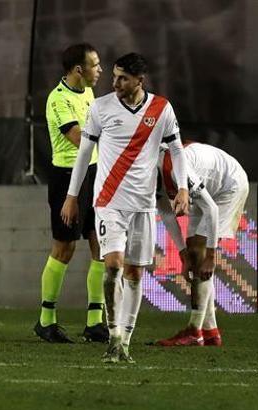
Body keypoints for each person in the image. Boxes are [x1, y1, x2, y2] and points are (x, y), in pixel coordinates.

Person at [62, 52, 190, 363]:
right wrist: (71, 195)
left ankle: (125, 343)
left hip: (143, 204)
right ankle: (113, 334)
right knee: (113, 266)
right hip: (108, 202)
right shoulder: (101, 107)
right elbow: (84, 153)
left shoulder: (161, 109)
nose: (115, 82)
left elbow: (176, 148)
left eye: (122, 78)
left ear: (139, 81)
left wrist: (183, 187)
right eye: (114, 76)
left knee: (134, 273)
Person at [36, 43, 106, 344]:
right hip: (67, 179)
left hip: (94, 175)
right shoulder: (58, 99)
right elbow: (81, 140)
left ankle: (95, 321)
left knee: (101, 244)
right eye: (95, 65)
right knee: (64, 249)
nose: (100, 70)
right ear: (79, 70)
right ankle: (46, 319)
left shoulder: (88, 93)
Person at [155, 142, 249, 346]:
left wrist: (210, 258)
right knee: (193, 252)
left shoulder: (176, 171)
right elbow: (167, 214)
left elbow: (212, 210)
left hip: (228, 185)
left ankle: (194, 330)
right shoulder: (148, 174)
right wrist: (182, 255)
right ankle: (210, 331)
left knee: (200, 256)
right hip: (207, 187)